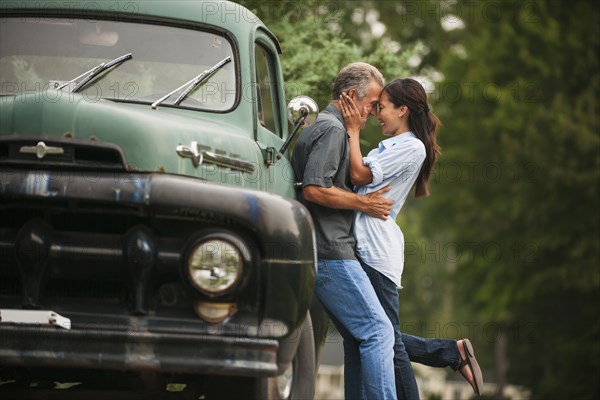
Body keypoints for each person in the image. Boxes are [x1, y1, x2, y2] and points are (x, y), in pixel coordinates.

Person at [338, 78, 484, 398]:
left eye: (383, 107)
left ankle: (450, 353)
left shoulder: (410, 146)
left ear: (402, 110)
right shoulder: (392, 146)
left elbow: (359, 174)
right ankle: (450, 352)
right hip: (365, 244)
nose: (377, 114)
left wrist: (352, 130)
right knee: (374, 332)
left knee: (384, 339)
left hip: (376, 250)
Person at [292, 62, 397, 399]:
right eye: (372, 104)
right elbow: (313, 189)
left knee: (358, 339)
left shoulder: (324, 126)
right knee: (379, 331)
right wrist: (363, 203)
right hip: (331, 252)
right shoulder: (333, 130)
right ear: (352, 96)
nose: (373, 112)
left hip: (324, 250)